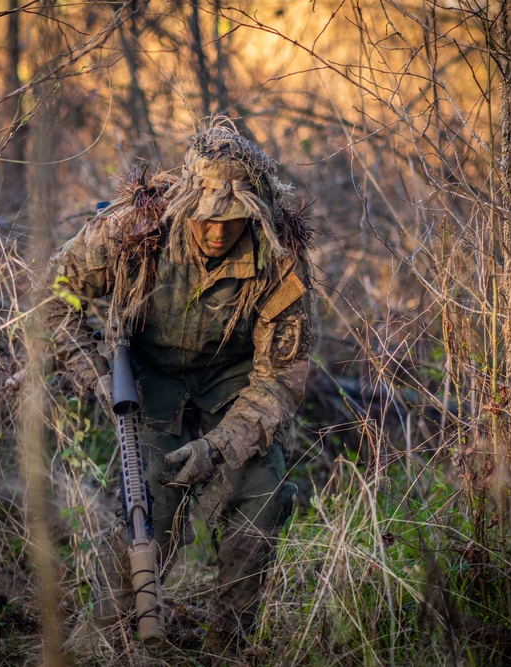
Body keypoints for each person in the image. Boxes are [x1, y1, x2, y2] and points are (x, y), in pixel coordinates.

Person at [44, 121, 315, 658]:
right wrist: (93, 375)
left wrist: (218, 448)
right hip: (149, 386)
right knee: (147, 508)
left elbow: (281, 380)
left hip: (235, 388)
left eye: (233, 219)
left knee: (259, 501)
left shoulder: (278, 257)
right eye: (208, 217)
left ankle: (227, 646)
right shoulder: (132, 231)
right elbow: (53, 298)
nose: (218, 231)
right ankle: (111, 641)